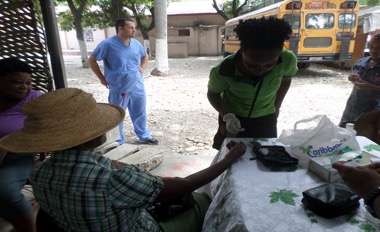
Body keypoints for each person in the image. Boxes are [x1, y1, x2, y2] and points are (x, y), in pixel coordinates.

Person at [0, 88, 247, 232]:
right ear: (90, 137)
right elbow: (184, 184)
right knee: (204, 200)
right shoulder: (113, 179)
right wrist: (227, 158)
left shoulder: (41, 172)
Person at [207, 16, 298, 150]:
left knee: (266, 153)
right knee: (228, 154)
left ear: (279, 52)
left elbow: (286, 80)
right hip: (233, 117)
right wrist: (227, 116)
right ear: (242, 50)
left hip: (266, 116)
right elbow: (213, 94)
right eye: (251, 64)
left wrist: (277, 107)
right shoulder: (224, 70)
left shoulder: (288, 60)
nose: (260, 69)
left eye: (269, 64)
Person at [88, 18, 158, 145]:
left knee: (140, 112)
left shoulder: (136, 44)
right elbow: (92, 60)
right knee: (117, 114)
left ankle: (144, 135)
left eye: (134, 27)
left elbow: (145, 55)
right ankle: (117, 139)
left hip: (137, 85)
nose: (134, 30)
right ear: (120, 29)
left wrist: (142, 67)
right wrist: (102, 79)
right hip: (119, 87)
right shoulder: (107, 45)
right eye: (131, 28)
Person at [0, 57, 43, 232]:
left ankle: (29, 227)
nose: (24, 87)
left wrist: (6, 144)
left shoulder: (35, 99)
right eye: (16, 82)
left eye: (28, 82)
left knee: (5, 192)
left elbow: (52, 127)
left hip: (17, 155)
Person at [340, 34, 380, 126]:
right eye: (371, 47)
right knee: (345, 131)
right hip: (353, 106)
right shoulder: (361, 62)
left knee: (366, 136)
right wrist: (352, 79)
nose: (374, 51)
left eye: (378, 48)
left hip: (374, 111)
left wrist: (369, 86)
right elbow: (354, 76)